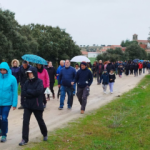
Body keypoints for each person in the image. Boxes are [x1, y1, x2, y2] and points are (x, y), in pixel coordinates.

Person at [19, 67, 47, 146]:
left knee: (40, 120)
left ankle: (45, 133)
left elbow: (38, 92)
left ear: (34, 73)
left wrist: (29, 92)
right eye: (28, 73)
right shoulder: (26, 83)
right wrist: (31, 92)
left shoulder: (39, 82)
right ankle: (24, 139)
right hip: (28, 105)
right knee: (25, 121)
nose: (29, 75)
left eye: (31, 73)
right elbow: (23, 92)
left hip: (37, 105)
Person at [0, 62, 18, 142]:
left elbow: (15, 92)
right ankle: (2, 129)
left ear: (7, 69)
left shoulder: (12, 78)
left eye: (4, 70)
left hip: (7, 103)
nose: (2, 71)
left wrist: (14, 103)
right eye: (1, 70)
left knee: (4, 118)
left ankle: (4, 134)